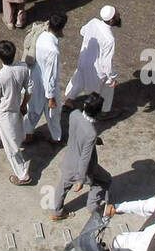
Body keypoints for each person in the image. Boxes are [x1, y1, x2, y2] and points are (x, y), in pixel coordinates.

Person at [47, 92, 110, 220]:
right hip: (82, 168)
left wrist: (94, 140)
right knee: (104, 181)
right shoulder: (91, 133)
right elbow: (85, 159)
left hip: (69, 159)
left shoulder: (74, 114)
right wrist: (81, 179)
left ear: (85, 105)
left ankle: (57, 211)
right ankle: (92, 207)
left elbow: (79, 134)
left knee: (63, 185)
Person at [0, 40, 32, 186]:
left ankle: (23, 175)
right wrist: (24, 104)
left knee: (12, 147)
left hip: (5, 111)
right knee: (0, 125)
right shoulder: (23, 68)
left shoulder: (0, 77)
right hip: (16, 106)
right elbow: (29, 89)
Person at [65, 5, 120, 114]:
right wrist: (112, 77)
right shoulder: (109, 39)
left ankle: (69, 101)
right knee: (101, 91)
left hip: (83, 60)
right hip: (96, 70)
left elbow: (82, 31)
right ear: (112, 20)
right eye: (117, 14)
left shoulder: (93, 22)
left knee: (78, 81)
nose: (119, 15)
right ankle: (101, 111)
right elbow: (106, 62)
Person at [25, 12, 66, 145]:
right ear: (61, 28)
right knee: (53, 114)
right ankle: (56, 137)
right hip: (46, 87)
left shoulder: (40, 35)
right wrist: (51, 97)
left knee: (32, 109)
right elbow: (51, 77)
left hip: (34, 80)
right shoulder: (53, 51)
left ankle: (28, 134)